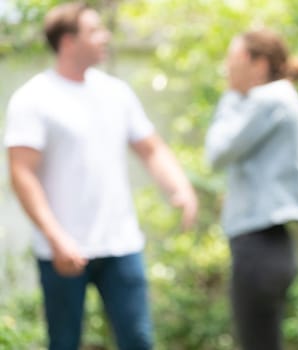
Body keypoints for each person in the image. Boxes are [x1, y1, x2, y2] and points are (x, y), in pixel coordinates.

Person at [4, 2, 198, 349]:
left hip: (121, 244)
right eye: (94, 31)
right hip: (62, 250)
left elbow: (150, 148)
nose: (105, 37)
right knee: (63, 342)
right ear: (67, 42)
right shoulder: (33, 98)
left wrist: (180, 187)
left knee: (139, 340)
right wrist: (56, 236)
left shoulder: (116, 93)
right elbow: (22, 174)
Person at [205, 29, 298, 350]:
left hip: (259, 245)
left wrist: (230, 97)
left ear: (258, 64)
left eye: (233, 59)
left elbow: (217, 151)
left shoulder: (268, 99)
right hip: (270, 244)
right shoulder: (280, 98)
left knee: (257, 342)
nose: (227, 69)